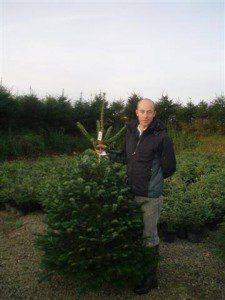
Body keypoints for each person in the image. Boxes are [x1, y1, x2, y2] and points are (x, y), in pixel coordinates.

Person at [110, 98, 176, 295]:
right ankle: (136, 269)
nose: (145, 115)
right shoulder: (131, 133)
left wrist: (153, 180)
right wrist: (106, 154)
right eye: (142, 111)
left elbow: (170, 168)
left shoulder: (162, 137)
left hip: (150, 197)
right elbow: (124, 157)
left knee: (149, 236)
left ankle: (150, 279)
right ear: (136, 113)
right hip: (130, 192)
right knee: (134, 234)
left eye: (149, 112)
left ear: (154, 113)